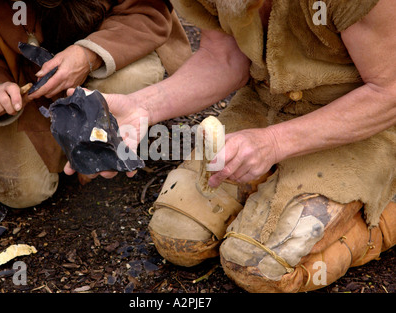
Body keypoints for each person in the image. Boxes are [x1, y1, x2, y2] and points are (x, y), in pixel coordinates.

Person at [65, 0, 396, 292]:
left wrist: (275, 143)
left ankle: (382, 215)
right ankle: (272, 188)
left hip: (361, 123)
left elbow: (389, 91)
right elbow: (224, 57)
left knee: (259, 266)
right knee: (177, 235)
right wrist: (142, 106)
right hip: (266, 103)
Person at [0, 0, 192, 208]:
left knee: (133, 78)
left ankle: (95, 143)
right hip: (26, 93)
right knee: (20, 192)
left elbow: (145, 11)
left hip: (108, 63)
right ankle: (64, 140)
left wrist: (88, 55)